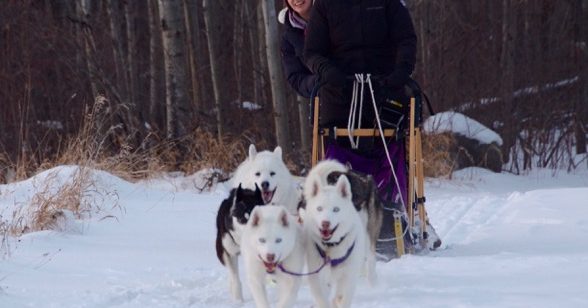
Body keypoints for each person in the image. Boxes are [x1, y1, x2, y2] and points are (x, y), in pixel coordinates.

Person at [303, 0, 441, 251]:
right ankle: (333, 219)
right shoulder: (325, 6)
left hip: (384, 89)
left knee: (392, 138)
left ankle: (393, 217)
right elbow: (312, 52)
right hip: (340, 93)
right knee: (338, 147)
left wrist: (401, 72)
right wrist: (327, 72)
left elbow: (406, 40)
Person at [279, 0, 317, 98]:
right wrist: (317, 82)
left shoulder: (335, 15)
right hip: (324, 102)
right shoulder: (288, 38)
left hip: (356, 86)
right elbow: (295, 78)